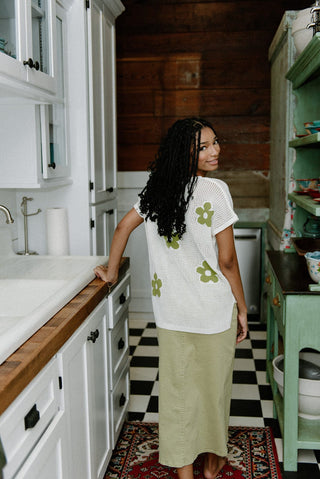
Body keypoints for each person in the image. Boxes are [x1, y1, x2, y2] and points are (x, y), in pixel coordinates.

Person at [94, 117, 248, 479]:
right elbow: (227, 260)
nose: (215, 151)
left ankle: (184, 474)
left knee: (178, 395)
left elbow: (122, 227)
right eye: (204, 147)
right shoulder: (215, 191)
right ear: (186, 153)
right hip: (213, 310)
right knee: (214, 390)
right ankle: (212, 464)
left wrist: (112, 271)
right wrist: (242, 307)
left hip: (171, 314)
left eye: (215, 142)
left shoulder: (157, 190)